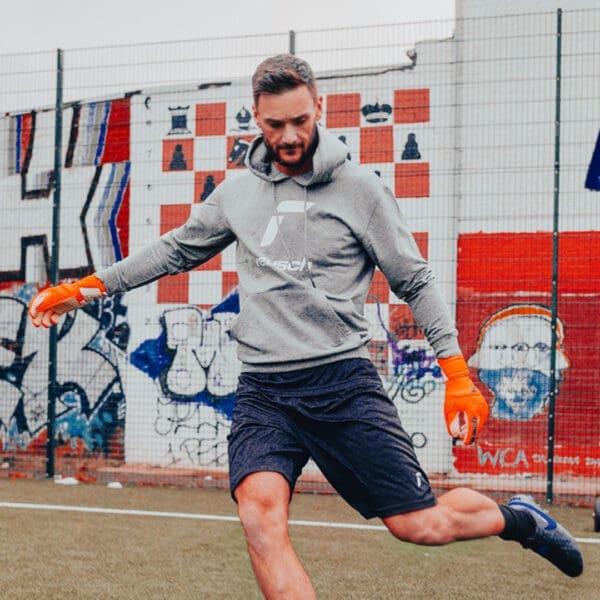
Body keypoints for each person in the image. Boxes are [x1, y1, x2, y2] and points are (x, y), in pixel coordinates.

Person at [29, 54, 583, 597]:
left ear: (319, 107)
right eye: (276, 124)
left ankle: (521, 520)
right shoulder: (238, 194)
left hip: (341, 383)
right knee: (259, 516)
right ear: (256, 117)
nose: (290, 135)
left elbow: (414, 281)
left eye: (301, 120)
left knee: (420, 526)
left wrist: (457, 374)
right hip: (265, 391)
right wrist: (86, 288)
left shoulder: (361, 190)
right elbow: (175, 250)